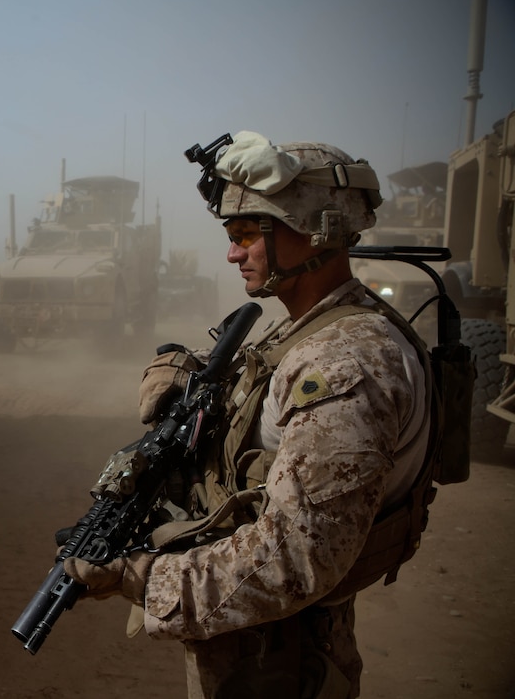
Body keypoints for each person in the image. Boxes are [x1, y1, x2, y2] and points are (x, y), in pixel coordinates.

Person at [62, 132, 432, 698]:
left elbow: (296, 557)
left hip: (280, 658)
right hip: (261, 641)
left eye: (245, 236)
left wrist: (140, 577)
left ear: (315, 231)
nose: (232, 253)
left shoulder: (342, 364)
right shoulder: (311, 329)